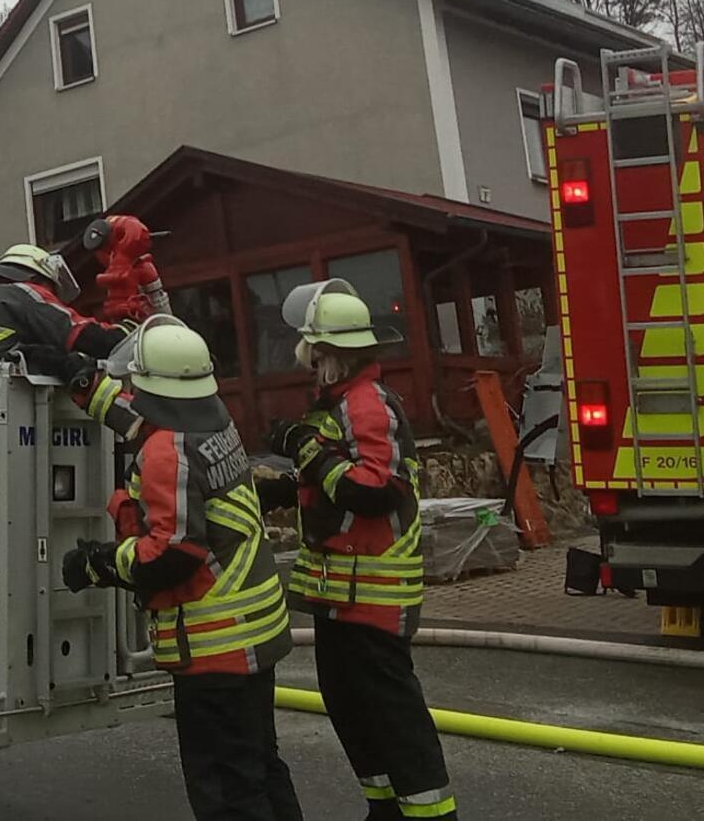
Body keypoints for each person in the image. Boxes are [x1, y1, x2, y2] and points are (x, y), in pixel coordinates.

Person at [63, 317, 302, 821]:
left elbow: (171, 554)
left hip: (214, 648)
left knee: (226, 792)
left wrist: (99, 563)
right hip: (255, 635)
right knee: (259, 764)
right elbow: (144, 418)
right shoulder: (212, 420)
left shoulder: (167, 453)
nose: (129, 389)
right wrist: (90, 390)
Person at [263, 279, 456, 821]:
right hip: (340, 596)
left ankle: (431, 815)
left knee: (393, 717)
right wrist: (280, 485)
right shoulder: (341, 405)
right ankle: (385, 809)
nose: (307, 366)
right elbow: (329, 484)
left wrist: (305, 449)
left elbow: (375, 491)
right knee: (351, 707)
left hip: (372, 597)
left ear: (329, 356)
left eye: (312, 356)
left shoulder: (368, 404)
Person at [0, 242, 124, 696]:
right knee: (12, 570)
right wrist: (137, 340)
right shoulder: (17, 295)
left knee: (0, 562)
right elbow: (79, 333)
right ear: (39, 278)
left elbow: (22, 358)